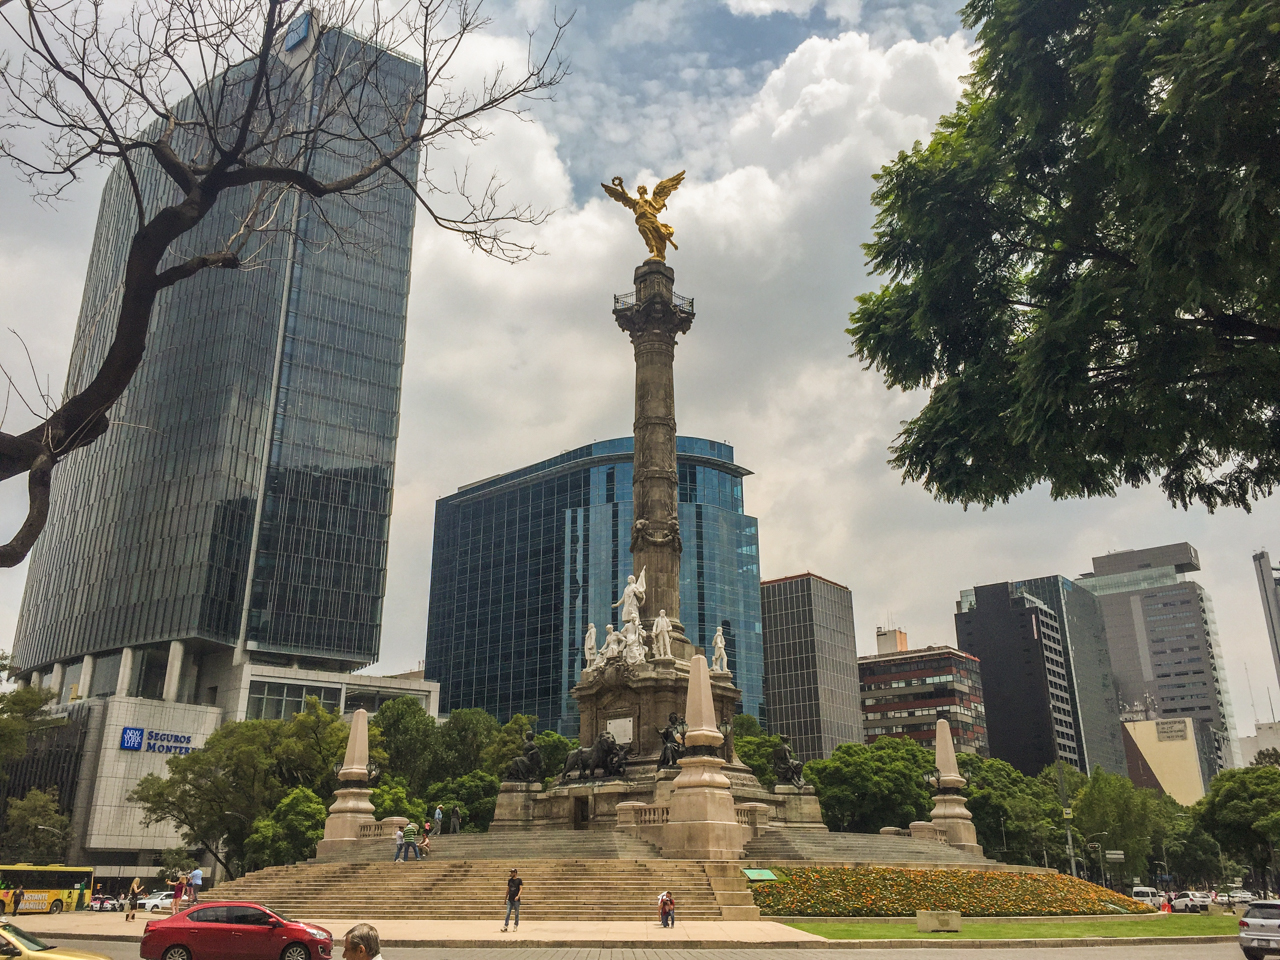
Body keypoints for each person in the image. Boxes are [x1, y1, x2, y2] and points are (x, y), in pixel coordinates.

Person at [501, 867, 522, 932]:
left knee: (516, 913)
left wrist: (518, 896)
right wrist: (505, 899)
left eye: (512, 872)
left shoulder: (519, 880)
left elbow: (521, 889)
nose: (511, 874)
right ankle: (505, 926)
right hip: (510, 899)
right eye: (511, 872)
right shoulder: (510, 880)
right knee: (508, 912)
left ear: (515, 873)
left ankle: (515, 925)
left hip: (516, 900)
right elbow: (508, 890)